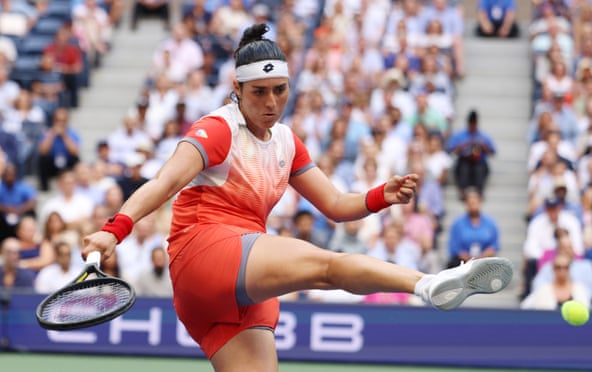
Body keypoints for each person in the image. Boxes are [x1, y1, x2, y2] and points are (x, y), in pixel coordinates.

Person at [81, 24, 514, 371]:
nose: (271, 102)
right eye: (259, 92)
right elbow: (164, 183)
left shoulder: (288, 142)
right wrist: (113, 231)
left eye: (280, 90)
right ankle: (428, 284)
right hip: (205, 254)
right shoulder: (218, 129)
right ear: (237, 88)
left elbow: (337, 206)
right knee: (326, 267)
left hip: (235, 286)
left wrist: (383, 195)